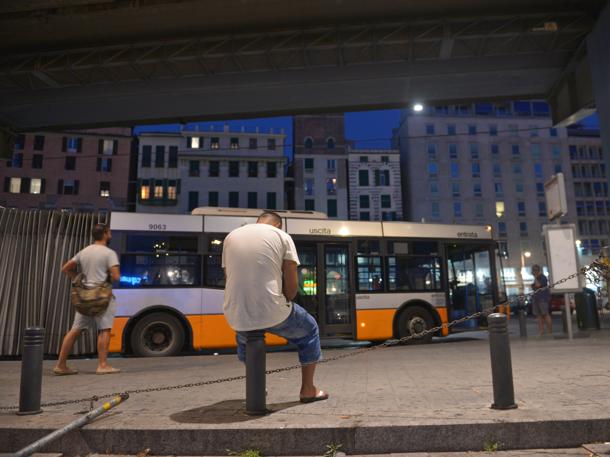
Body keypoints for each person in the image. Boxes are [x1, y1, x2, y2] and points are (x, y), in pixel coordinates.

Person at [222, 211, 328, 403]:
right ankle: (308, 390)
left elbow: (228, 276)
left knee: (247, 335)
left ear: (258, 223)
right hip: (272, 310)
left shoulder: (231, 237)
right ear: (278, 225)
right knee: (310, 329)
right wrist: (286, 301)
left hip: (235, 311)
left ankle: (257, 388)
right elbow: (291, 284)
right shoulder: (282, 236)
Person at [54, 223, 121, 375]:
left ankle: (61, 365)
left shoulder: (84, 251)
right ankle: (102, 365)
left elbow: (65, 268)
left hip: (84, 297)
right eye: (109, 232)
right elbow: (116, 276)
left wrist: (77, 277)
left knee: (75, 330)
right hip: (102, 297)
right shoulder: (109, 253)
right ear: (104, 234)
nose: (110, 235)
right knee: (104, 330)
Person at [531, 264, 552, 336]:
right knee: (538, 315)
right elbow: (534, 287)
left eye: (534, 271)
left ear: (537, 271)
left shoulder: (543, 277)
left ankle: (549, 331)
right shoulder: (536, 278)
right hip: (536, 299)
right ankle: (541, 331)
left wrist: (535, 278)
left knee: (545, 314)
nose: (534, 272)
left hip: (542, 299)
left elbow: (538, 285)